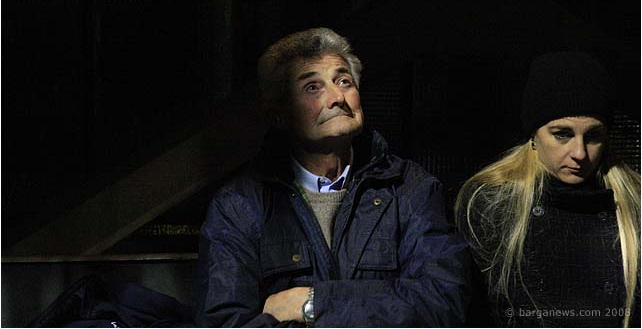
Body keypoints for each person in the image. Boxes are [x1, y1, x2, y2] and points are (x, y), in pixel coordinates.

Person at [195, 28, 471, 327]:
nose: (337, 97)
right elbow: (224, 322)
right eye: (312, 87)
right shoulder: (240, 204)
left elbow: (444, 301)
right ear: (279, 114)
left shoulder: (410, 187)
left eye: (343, 81)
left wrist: (312, 303)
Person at [456, 52, 640, 327]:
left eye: (593, 136)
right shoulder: (491, 203)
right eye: (562, 134)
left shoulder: (633, 203)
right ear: (533, 134)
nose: (580, 153)